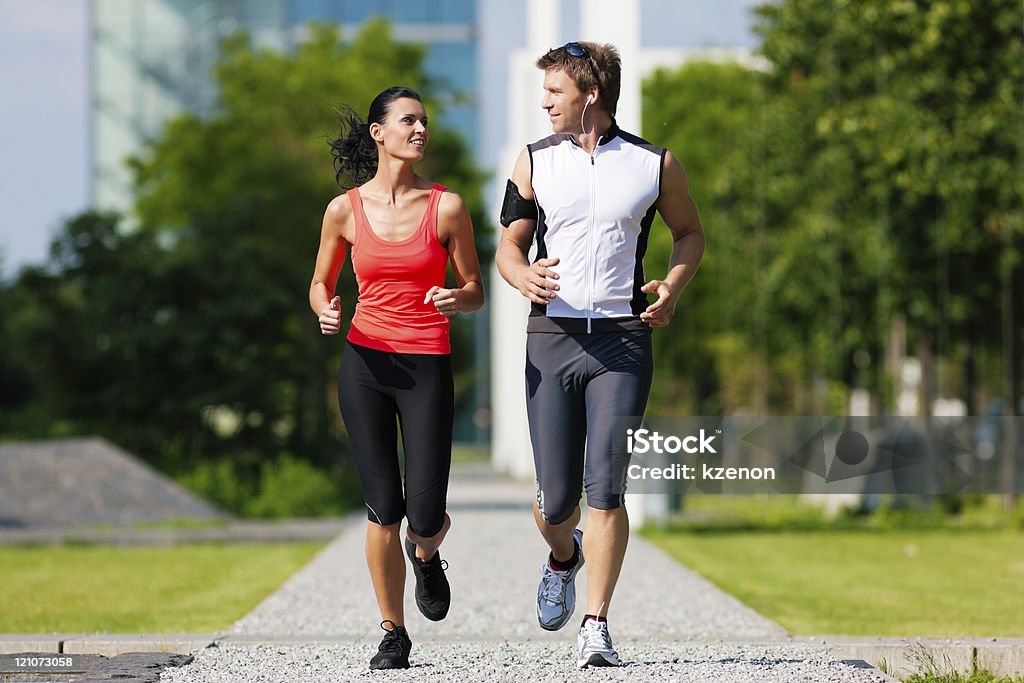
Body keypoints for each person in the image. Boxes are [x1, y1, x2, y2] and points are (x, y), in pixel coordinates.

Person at [496, 42, 704, 668]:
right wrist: (520, 276)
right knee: (556, 501)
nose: (544, 102)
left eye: (554, 91)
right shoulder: (533, 160)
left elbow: (690, 233)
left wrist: (670, 286)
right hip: (551, 340)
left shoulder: (653, 163)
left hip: (621, 340)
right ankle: (563, 554)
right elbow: (508, 244)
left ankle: (596, 624)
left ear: (590, 94)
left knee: (606, 488)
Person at [309, 86, 484, 670]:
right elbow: (320, 282)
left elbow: (476, 289)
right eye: (408, 120)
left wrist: (458, 299)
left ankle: (426, 555)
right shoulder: (344, 211)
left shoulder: (447, 207)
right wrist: (324, 306)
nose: (420, 129)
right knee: (384, 505)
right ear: (378, 132)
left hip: (426, 366)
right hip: (365, 365)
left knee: (426, 514)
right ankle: (392, 632)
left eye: (424, 121)